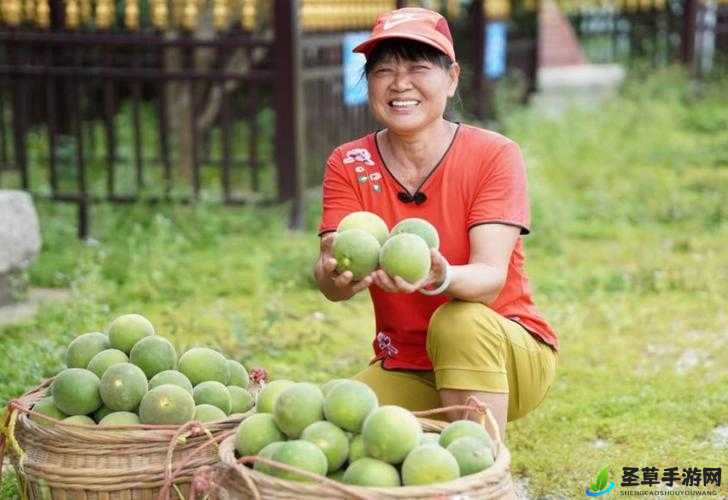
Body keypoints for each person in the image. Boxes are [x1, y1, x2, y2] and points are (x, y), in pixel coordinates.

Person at [313, 7, 558, 441]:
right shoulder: (348, 162)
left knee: (457, 319)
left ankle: (481, 469)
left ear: (452, 78)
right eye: (383, 69)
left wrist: (439, 274)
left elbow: (488, 279)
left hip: (504, 352)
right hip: (409, 363)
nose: (399, 83)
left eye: (418, 67)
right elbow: (331, 281)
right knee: (330, 426)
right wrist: (338, 274)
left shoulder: (493, 155)